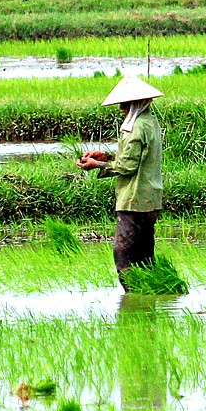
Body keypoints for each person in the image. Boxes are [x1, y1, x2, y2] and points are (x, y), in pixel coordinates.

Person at [77, 75, 164, 289]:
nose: (121, 109)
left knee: (123, 253)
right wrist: (104, 157)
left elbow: (127, 167)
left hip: (133, 199)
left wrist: (96, 166)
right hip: (151, 198)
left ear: (135, 104)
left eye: (124, 104)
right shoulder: (150, 122)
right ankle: (148, 297)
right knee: (145, 255)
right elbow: (134, 158)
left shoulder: (135, 128)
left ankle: (132, 297)